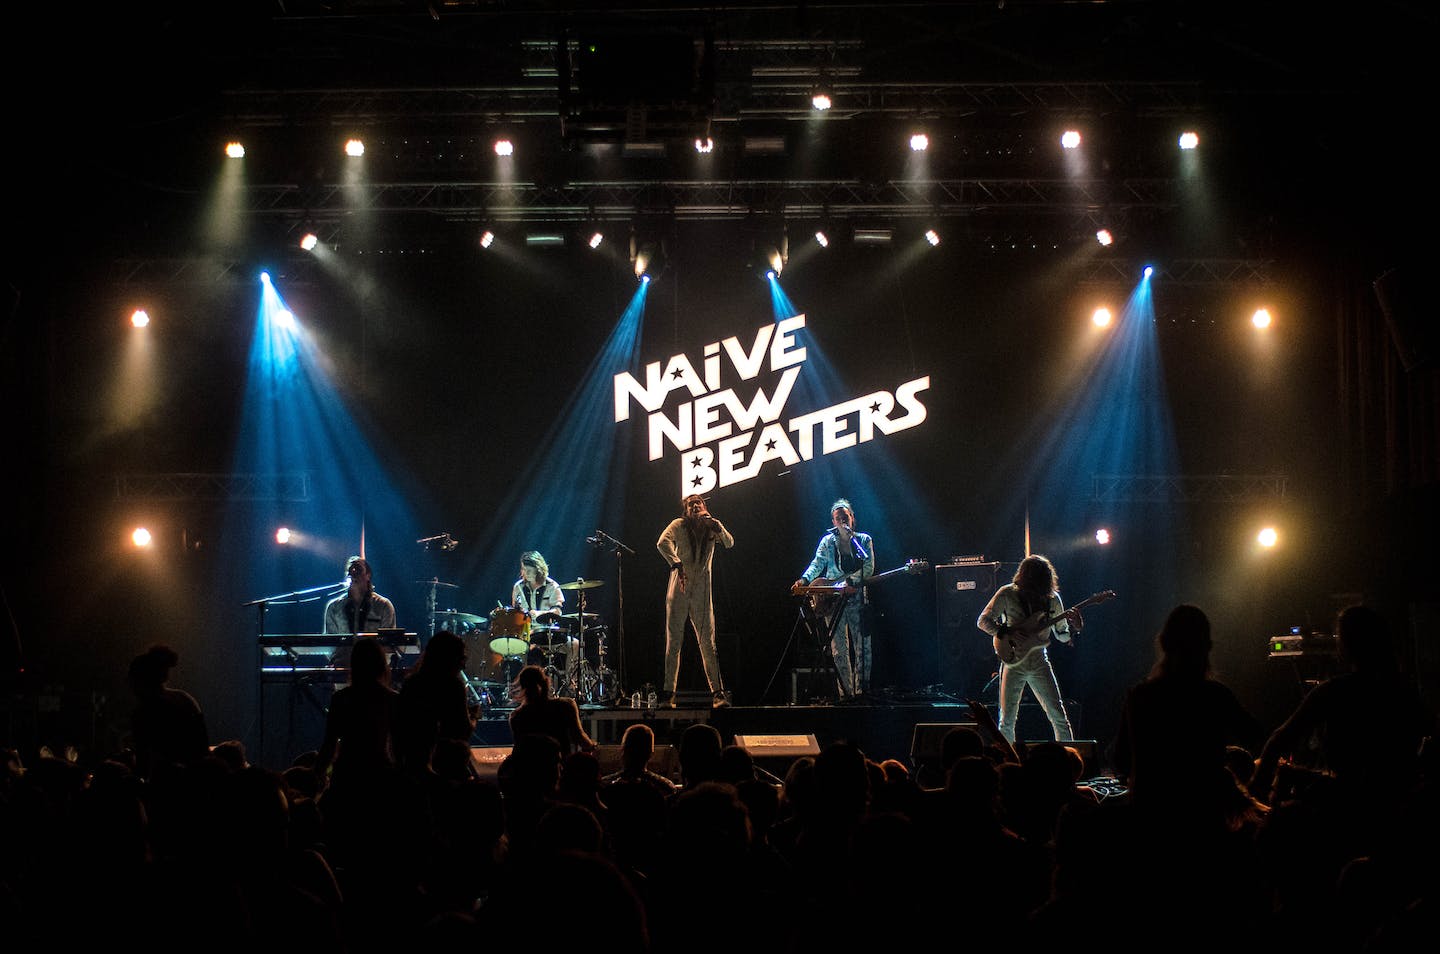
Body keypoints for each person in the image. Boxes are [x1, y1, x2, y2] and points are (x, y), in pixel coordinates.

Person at [975, 554, 1079, 743]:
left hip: (1039, 660)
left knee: (1058, 714)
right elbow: (983, 621)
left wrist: (1074, 627)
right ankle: (1008, 761)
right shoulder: (1007, 593)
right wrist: (1006, 632)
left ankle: (1069, 757)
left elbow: (1063, 636)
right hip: (1013, 662)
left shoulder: (1052, 599)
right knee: (1007, 719)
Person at [791, 497, 876, 700]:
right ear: (833, 522)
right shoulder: (827, 541)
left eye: (845, 516)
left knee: (862, 647)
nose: (842, 520)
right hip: (833, 599)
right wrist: (804, 580)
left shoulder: (863, 540)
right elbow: (817, 563)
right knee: (838, 650)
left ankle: (861, 693)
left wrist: (853, 582)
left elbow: (869, 566)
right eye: (837, 518)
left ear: (852, 518)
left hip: (856, 599)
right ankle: (846, 694)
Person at [656, 493, 735, 708]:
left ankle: (718, 693)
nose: (694, 507)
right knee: (674, 642)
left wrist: (716, 525)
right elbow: (662, 542)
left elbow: (729, 543)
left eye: (697, 503)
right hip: (679, 588)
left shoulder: (711, 527)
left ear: (704, 505)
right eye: (690, 505)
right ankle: (667, 694)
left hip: (701, 590)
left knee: (708, 642)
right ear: (685, 510)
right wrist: (676, 563)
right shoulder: (679, 524)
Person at [395, 629, 477, 776]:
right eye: (461, 659)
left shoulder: (411, 684)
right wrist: (474, 717)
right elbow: (463, 731)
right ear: (451, 659)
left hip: (410, 765)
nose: (463, 665)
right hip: (447, 763)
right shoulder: (453, 686)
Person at [127, 644, 209, 780]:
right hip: (197, 780)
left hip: (165, 783)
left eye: (131, 680)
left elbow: (144, 760)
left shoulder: (144, 711)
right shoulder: (185, 699)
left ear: (140, 680)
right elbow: (202, 744)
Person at [510, 550, 575, 692]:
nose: (525, 573)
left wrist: (538, 614)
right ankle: (523, 688)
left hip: (549, 631)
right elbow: (516, 613)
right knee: (517, 647)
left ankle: (570, 682)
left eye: (529, 570)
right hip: (528, 632)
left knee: (574, 644)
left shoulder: (552, 586)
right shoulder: (518, 587)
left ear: (538, 570)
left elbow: (557, 611)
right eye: (523, 569)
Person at [508, 664, 595, 758]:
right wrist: (593, 746)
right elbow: (580, 737)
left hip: (530, 770)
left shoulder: (516, 716)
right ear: (546, 682)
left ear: (522, 686)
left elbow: (519, 749)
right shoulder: (565, 705)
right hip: (561, 767)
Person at [323, 555, 397, 634]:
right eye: (350, 570)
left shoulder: (383, 605)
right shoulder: (334, 607)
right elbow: (330, 641)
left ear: (368, 575)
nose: (353, 573)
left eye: (358, 569)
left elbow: (388, 641)